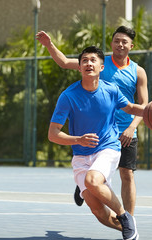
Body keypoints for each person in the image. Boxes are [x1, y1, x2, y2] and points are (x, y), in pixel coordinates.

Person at [37, 26, 148, 216]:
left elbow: (143, 105)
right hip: (100, 128)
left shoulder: (138, 71)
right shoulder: (97, 63)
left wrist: (132, 127)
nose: (120, 44)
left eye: (124, 41)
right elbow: (64, 62)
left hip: (126, 129)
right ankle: (86, 184)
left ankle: (129, 220)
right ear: (111, 43)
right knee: (94, 170)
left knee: (127, 174)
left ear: (131, 45)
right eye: (116, 41)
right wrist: (49, 44)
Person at [48, 46, 143, 240]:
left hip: (108, 147)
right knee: (96, 208)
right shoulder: (68, 96)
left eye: (93, 60)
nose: (88, 63)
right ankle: (130, 231)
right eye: (84, 60)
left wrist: (150, 111)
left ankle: (126, 217)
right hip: (81, 154)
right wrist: (78, 140)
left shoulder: (111, 90)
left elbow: (132, 107)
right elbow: (53, 134)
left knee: (92, 181)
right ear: (80, 67)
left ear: (101, 67)